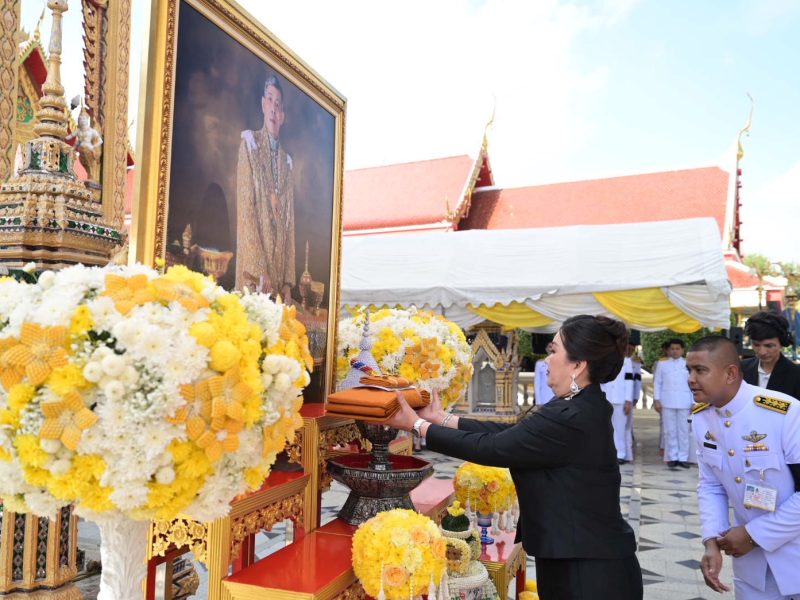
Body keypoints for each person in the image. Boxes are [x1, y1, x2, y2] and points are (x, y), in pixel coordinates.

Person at [386, 315, 642, 600]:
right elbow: (513, 434)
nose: (547, 360)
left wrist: (417, 426)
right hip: (581, 556)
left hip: (589, 571)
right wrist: (441, 419)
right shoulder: (579, 404)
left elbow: (495, 447)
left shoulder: (572, 415)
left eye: (554, 350)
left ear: (578, 365)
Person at [688, 335, 800, 599]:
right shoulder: (702, 417)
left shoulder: (784, 412)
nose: (691, 379)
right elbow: (711, 485)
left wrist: (753, 535)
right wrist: (711, 540)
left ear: (730, 373)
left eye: (700, 370)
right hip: (751, 568)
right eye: (689, 370)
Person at [235, 74, 296, 303]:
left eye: (278, 104)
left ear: (283, 116)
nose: (273, 108)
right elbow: (246, 211)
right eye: (270, 100)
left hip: (278, 286)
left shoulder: (286, 163)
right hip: (255, 280)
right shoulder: (250, 144)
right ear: (263, 104)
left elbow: (289, 225)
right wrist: (260, 269)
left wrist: (288, 283)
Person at [741, 312, 800, 399]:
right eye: (756, 345)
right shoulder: (742, 368)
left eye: (769, 346)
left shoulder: (796, 374)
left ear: (781, 344)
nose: (762, 352)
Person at [654, 338, 693, 469]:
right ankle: (672, 457)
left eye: (677, 349)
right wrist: (657, 399)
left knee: (684, 431)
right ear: (668, 350)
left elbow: (693, 383)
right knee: (669, 431)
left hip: (684, 401)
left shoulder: (688, 363)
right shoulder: (662, 364)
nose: (675, 351)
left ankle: (683, 457)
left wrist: (694, 401)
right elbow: (658, 382)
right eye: (672, 349)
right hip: (667, 401)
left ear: (682, 350)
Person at [601, 351, 633, 464]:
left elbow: (629, 381)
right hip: (606, 398)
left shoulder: (627, 361)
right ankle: (607, 454)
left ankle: (620, 454)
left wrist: (628, 400)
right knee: (606, 428)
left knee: (620, 428)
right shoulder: (602, 359)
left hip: (621, 399)